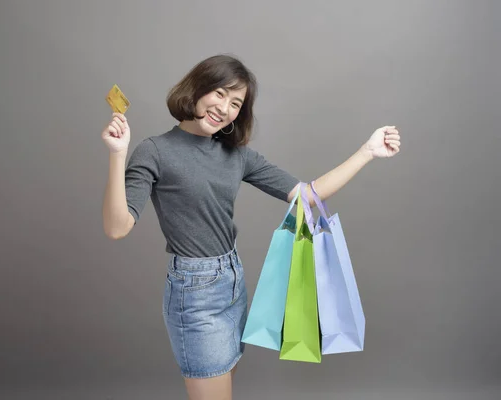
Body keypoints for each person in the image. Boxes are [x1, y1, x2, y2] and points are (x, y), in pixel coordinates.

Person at [101, 54, 401, 400]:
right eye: (219, 93)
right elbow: (117, 227)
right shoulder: (154, 151)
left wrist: (367, 151)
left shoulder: (237, 156)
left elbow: (307, 195)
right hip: (195, 293)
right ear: (197, 89)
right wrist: (117, 154)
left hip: (233, 282)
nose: (224, 108)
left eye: (235, 103)